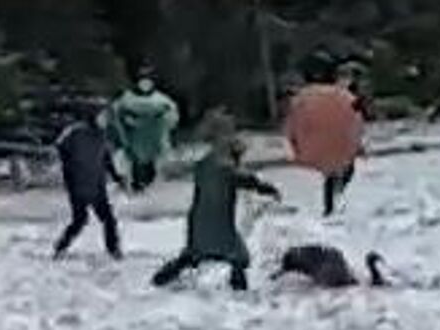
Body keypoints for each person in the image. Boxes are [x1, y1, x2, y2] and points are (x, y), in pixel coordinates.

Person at [152, 135, 280, 291]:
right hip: (221, 227)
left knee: (192, 255)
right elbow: (248, 181)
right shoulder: (228, 170)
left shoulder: (204, 166)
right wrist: (269, 189)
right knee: (240, 258)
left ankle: (159, 280)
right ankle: (239, 291)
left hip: (197, 223)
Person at [285, 63, 367, 217]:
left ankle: (331, 204)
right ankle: (333, 201)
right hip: (338, 140)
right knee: (342, 170)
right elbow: (356, 115)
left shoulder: (305, 98)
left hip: (321, 141)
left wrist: (296, 145)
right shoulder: (342, 95)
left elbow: (292, 122)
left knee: (333, 172)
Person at [53, 104, 125, 259]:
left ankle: (113, 249)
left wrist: (116, 176)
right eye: (102, 117)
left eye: (107, 118)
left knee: (108, 218)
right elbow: (60, 146)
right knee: (80, 220)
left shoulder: (102, 136)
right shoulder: (76, 131)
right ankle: (61, 247)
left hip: (97, 185)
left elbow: (106, 159)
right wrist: (69, 168)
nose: (105, 121)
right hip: (78, 184)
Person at [106, 73, 179, 193]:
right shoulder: (127, 98)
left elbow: (172, 116)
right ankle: (138, 182)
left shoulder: (161, 99)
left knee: (148, 160)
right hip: (135, 138)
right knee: (137, 160)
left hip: (153, 139)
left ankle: (147, 180)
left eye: (148, 82)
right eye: (142, 82)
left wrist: (163, 120)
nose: (145, 85)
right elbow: (116, 114)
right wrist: (125, 122)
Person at [274, 245, 388, 288]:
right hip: (336, 268)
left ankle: (372, 270)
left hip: (335, 272)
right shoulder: (307, 257)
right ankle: (372, 269)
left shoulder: (306, 259)